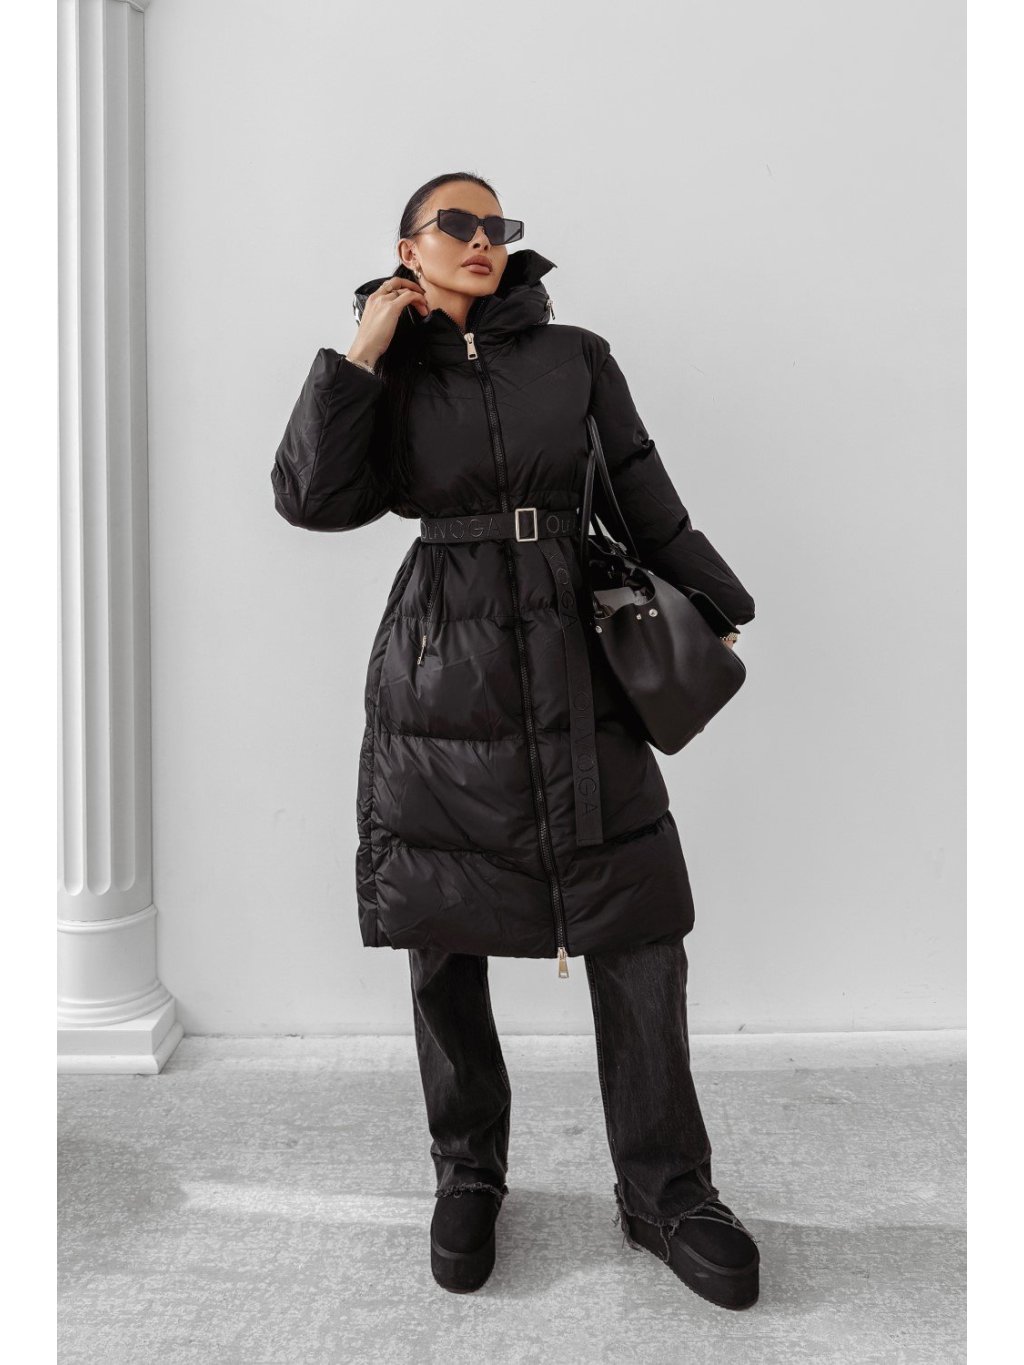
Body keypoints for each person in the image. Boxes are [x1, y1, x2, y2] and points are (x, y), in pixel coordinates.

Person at [271, 172, 761, 1309]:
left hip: (577, 651)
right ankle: (468, 1174)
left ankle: (667, 1191)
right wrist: (363, 347)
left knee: (638, 921)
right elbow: (309, 497)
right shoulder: (388, 370)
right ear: (409, 246)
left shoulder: (575, 356)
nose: (484, 238)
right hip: (441, 663)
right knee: (441, 926)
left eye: (498, 225)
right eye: (459, 223)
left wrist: (716, 605)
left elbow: (641, 491)